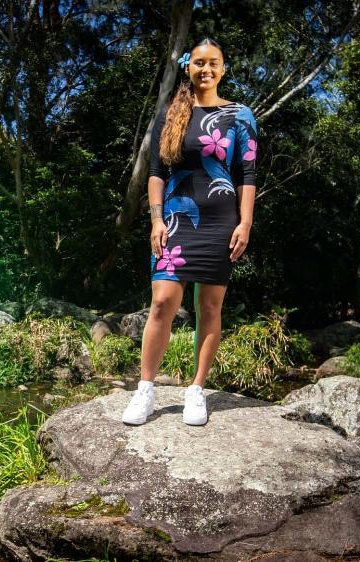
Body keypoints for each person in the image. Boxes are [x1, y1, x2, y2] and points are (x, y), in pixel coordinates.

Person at [122, 37, 258, 426]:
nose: (206, 69)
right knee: (163, 302)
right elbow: (156, 173)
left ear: (223, 68)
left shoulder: (239, 116)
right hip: (175, 221)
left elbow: (247, 174)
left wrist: (245, 222)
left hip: (220, 223)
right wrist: (156, 219)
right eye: (199, 62)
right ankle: (145, 390)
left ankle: (196, 390)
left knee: (209, 308)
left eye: (213, 62)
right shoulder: (170, 113)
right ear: (188, 67)